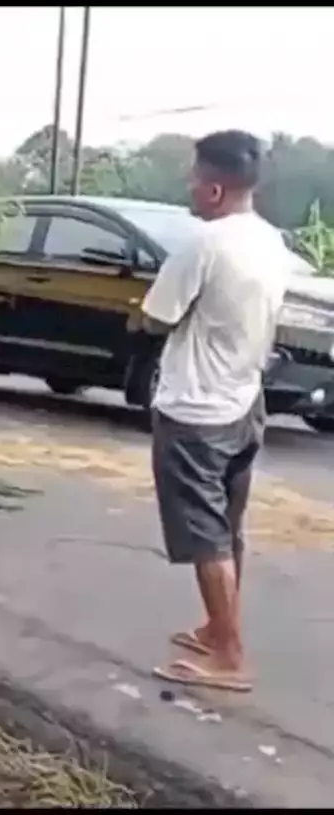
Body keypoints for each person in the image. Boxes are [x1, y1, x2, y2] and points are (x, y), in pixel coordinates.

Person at [141, 130, 291, 693]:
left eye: (194, 175)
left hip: (197, 410)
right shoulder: (271, 242)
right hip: (244, 401)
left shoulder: (203, 245)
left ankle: (228, 654)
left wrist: (141, 318)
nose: (189, 184)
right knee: (228, 525)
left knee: (205, 535)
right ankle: (217, 628)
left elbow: (158, 316)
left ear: (214, 187)